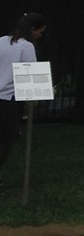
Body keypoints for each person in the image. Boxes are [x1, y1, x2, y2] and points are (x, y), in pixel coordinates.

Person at [0, 13, 48, 178]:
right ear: (33, 29)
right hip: (8, 99)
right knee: (6, 140)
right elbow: (30, 73)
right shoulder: (26, 46)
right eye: (40, 32)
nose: (40, 36)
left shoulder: (2, 41)